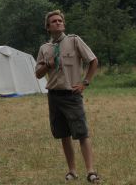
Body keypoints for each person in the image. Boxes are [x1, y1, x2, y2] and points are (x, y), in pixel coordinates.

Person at [35, 10, 100, 183]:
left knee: (82, 133)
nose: (58, 23)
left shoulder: (74, 40)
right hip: (54, 96)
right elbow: (38, 74)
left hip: (72, 95)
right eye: (54, 21)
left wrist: (85, 82)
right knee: (64, 135)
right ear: (48, 27)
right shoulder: (44, 48)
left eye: (60, 20)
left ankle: (91, 172)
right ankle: (72, 171)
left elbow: (93, 61)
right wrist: (47, 64)